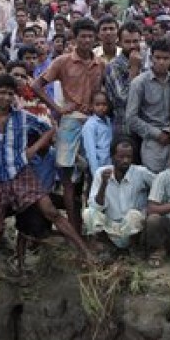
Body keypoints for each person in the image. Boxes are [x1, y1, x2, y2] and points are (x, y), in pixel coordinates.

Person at [0, 74, 92, 276]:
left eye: (10, 94)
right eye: (2, 93)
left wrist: (33, 149)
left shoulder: (23, 117)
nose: (6, 98)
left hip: (21, 173)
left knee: (51, 212)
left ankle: (86, 254)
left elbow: (50, 129)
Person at [31, 17, 104, 231]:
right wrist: (58, 108)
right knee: (67, 178)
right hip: (70, 122)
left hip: (92, 121)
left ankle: (89, 226)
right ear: (75, 38)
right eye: (83, 36)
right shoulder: (62, 61)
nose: (87, 40)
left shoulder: (100, 64)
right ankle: (73, 227)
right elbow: (37, 86)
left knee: (93, 173)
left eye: (91, 36)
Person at [83, 137, 154, 251]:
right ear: (113, 157)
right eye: (121, 157)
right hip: (110, 226)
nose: (125, 161)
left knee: (134, 215)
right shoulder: (101, 173)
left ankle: (133, 249)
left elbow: (159, 186)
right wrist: (104, 184)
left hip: (131, 227)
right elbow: (96, 207)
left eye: (129, 157)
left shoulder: (141, 173)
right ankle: (105, 247)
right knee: (89, 213)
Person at [126, 37, 170, 173]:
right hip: (151, 141)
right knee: (153, 180)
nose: (161, 62)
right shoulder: (140, 82)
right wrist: (157, 134)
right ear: (151, 58)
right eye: (157, 58)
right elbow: (131, 118)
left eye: (166, 58)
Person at [82, 90, 113, 179]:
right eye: (97, 105)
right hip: (98, 167)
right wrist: (95, 172)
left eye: (104, 104)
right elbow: (90, 151)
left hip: (109, 164)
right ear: (91, 106)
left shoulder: (108, 121)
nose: (101, 107)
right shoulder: (90, 125)